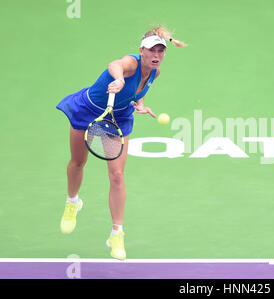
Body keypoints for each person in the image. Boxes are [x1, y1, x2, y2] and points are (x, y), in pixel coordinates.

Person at [56, 26, 186, 260]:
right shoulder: (131, 63)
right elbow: (115, 64)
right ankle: (72, 202)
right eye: (151, 50)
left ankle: (117, 233)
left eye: (161, 51)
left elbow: (140, 90)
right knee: (77, 162)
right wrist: (118, 79)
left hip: (119, 117)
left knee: (117, 175)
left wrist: (140, 103)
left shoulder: (155, 72)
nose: (156, 55)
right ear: (141, 51)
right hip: (89, 110)